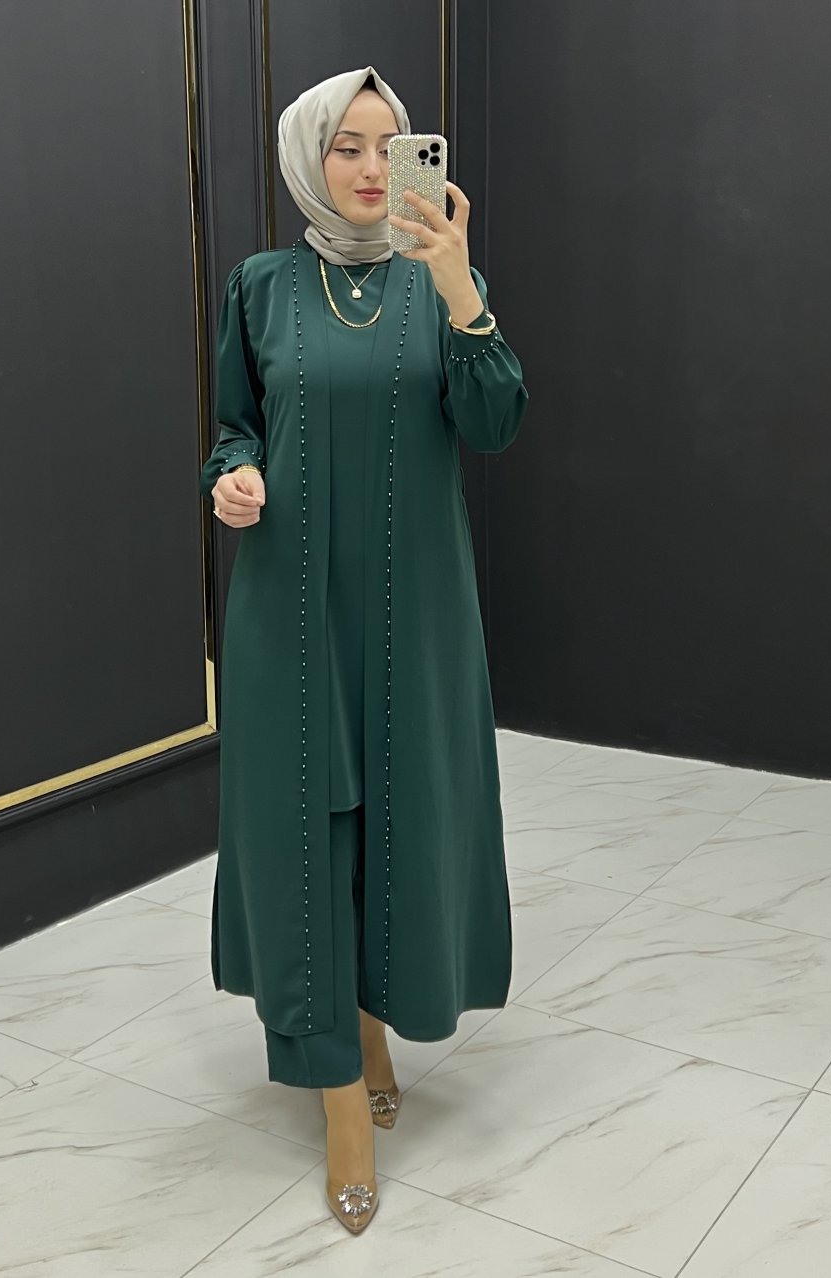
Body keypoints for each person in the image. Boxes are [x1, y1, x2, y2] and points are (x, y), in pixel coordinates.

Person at [199, 65, 529, 1234]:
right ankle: (340, 1094)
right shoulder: (259, 285)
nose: (373, 168)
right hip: (286, 609)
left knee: (399, 821)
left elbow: (494, 421)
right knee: (304, 835)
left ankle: (375, 1025)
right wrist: (233, 477)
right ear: (308, 157)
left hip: (414, 611)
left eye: (392, 145)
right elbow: (232, 426)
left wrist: (459, 287)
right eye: (347, 145)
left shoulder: (442, 277)